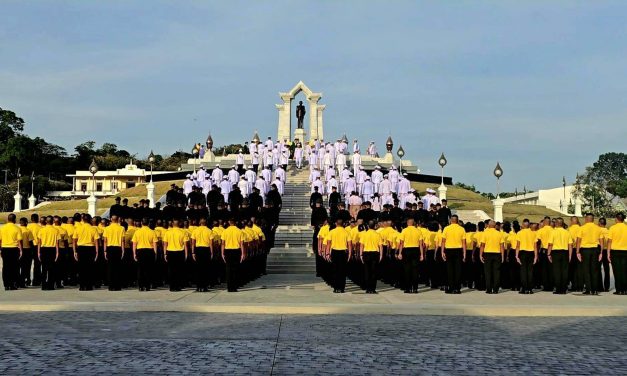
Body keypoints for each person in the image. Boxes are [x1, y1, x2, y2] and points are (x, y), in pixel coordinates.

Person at [576, 213, 603, 295]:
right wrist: (601, 252)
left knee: (586, 270)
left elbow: (578, 241)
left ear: (586, 219)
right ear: (593, 219)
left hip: (585, 250)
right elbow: (601, 241)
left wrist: (577, 252)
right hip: (595, 250)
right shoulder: (598, 228)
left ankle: (589, 289)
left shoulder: (582, 228)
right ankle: (595, 289)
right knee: (594, 270)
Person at [72, 214, 100, 291]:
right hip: (90, 249)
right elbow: (96, 242)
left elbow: (74, 241)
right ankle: (88, 286)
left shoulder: (78, 228)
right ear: (90, 220)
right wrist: (97, 252)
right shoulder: (93, 229)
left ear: (82, 220)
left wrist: (75, 251)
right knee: (89, 268)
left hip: (81, 248)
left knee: (81, 268)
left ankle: (82, 286)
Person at [397, 217, 424, 294]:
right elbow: (421, 244)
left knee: (407, 270)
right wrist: (422, 254)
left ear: (407, 223)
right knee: (415, 270)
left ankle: (407, 288)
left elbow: (401, 243)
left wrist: (399, 253)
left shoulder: (404, 231)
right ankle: (415, 288)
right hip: (416, 250)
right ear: (413, 223)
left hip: (406, 251)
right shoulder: (418, 231)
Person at [441, 215, 466, 294]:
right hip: (458, 250)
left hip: (449, 250)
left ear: (450, 220)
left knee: (450, 270)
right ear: (457, 221)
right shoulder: (462, 229)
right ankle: (457, 289)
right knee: (458, 270)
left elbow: (443, 241)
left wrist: (442, 251)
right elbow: (464, 242)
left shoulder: (446, 228)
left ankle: (451, 288)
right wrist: (464, 253)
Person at [326, 218, 352, 293]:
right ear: (343, 224)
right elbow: (349, 244)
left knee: (335, 270)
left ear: (336, 224)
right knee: (342, 271)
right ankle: (342, 288)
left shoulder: (332, 232)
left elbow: (328, 243)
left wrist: (327, 253)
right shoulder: (346, 232)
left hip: (334, 252)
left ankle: (336, 288)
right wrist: (350, 254)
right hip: (343, 252)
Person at [547, 218, 573, 294]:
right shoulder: (567, 232)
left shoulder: (553, 232)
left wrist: (548, 253)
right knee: (565, 271)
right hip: (565, 252)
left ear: (556, 224)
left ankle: (558, 289)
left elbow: (550, 244)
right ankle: (564, 289)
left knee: (557, 271)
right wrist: (570, 255)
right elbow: (570, 245)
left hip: (556, 252)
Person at [163, 219, 189, 292]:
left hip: (170, 252)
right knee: (179, 270)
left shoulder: (168, 232)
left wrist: (165, 253)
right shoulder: (183, 232)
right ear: (179, 224)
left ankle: (172, 286)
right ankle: (177, 286)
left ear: (172, 224)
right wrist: (186, 254)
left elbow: (165, 244)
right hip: (180, 252)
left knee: (171, 270)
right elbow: (186, 245)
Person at [132, 218, 158, 291]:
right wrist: (155, 254)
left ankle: (140, 286)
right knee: (148, 269)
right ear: (148, 223)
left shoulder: (137, 232)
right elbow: (155, 244)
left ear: (141, 223)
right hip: (149, 251)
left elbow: (134, 244)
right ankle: (147, 286)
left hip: (140, 251)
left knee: (140, 269)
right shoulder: (152, 232)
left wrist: (134, 253)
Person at [480, 220, 504, 294]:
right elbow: (502, 246)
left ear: (488, 226)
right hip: (497, 254)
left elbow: (482, 245)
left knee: (488, 272)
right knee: (496, 272)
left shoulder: (485, 233)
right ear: (495, 226)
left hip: (487, 254)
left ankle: (489, 289)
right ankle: (496, 289)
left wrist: (480, 254)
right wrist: (502, 256)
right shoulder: (499, 234)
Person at [102, 215, 126, 291]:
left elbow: (105, 241)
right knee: (118, 268)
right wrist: (123, 251)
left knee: (110, 268)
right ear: (118, 219)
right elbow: (122, 241)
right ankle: (117, 286)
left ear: (111, 220)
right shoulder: (122, 228)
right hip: (118, 248)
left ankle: (111, 286)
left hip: (110, 248)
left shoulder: (107, 228)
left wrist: (105, 250)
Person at [221, 218, 245, 292]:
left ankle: (229, 287)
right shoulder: (239, 231)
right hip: (236, 251)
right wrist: (243, 253)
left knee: (228, 269)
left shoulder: (225, 231)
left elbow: (223, 243)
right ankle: (234, 287)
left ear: (229, 222)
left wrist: (222, 253)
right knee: (235, 269)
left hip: (227, 250)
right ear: (235, 223)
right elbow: (242, 244)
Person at [514, 219, 538, 294]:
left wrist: (516, 255)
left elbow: (518, 245)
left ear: (523, 225)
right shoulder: (533, 233)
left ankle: (524, 288)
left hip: (523, 252)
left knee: (523, 271)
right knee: (530, 271)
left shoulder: (519, 233)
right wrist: (536, 256)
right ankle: (530, 289)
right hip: (531, 253)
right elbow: (535, 246)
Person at [0, 214, 23, 290]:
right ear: (15, 219)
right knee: (14, 267)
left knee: (6, 267)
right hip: (14, 249)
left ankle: (6, 285)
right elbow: (19, 241)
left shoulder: (2, 228)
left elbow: (0, 240)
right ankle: (12, 284)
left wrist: (1, 249)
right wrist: (21, 250)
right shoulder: (17, 228)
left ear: (8, 219)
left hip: (5, 249)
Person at [359, 220, 383, 293]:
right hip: (375, 254)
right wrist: (381, 255)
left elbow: (361, 245)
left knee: (367, 271)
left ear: (368, 226)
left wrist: (361, 255)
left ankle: (368, 288)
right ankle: (373, 289)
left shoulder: (364, 234)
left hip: (366, 253)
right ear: (375, 226)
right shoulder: (377, 234)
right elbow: (381, 246)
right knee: (374, 272)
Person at [36, 216, 59, 291]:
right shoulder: (56, 230)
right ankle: (50, 285)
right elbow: (57, 243)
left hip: (43, 249)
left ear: (46, 221)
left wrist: (38, 252)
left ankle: (43, 285)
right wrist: (57, 252)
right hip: (52, 250)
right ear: (52, 222)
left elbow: (39, 242)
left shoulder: (41, 230)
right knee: (51, 269)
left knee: (44, 268)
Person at [607, 212, 627, 295]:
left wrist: (608, 253)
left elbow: (609, 241)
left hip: (615, 251)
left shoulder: (612, 228)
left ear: (617, 219)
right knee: (625, 271)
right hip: (625, 251)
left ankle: (619, 290)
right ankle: (625, 290)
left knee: (617, 271)